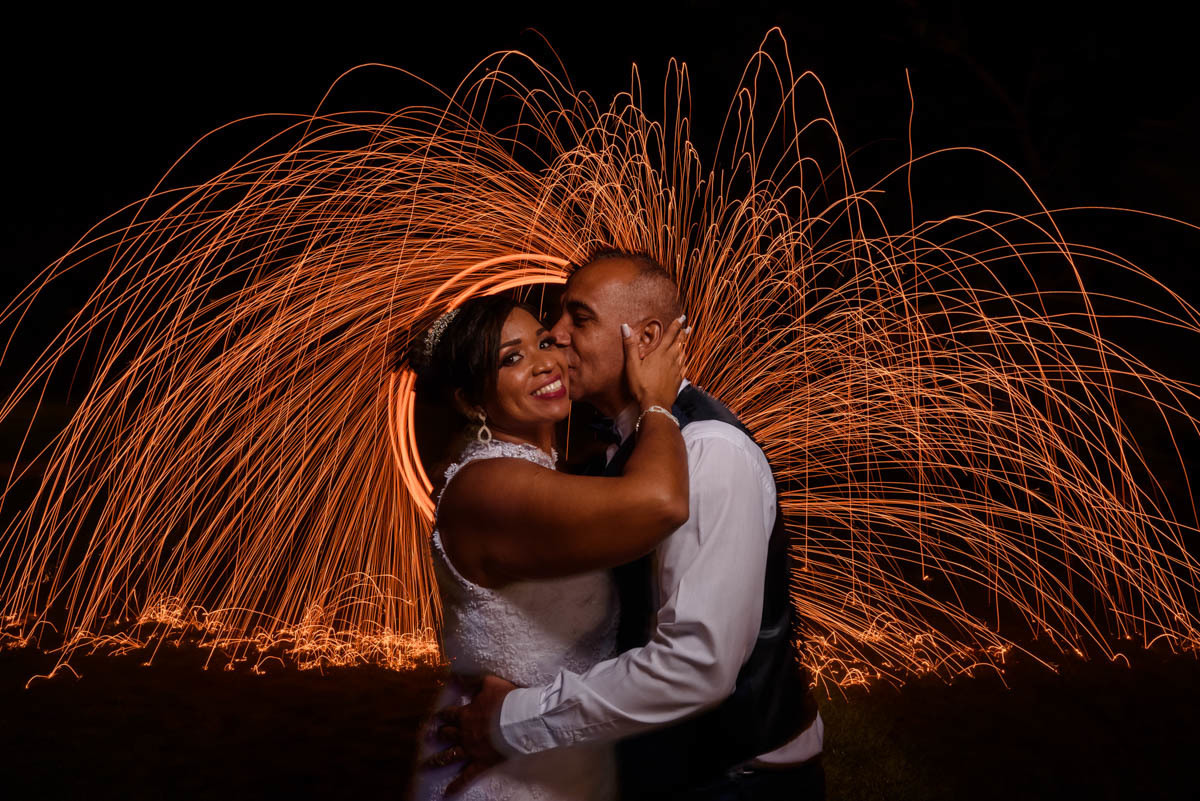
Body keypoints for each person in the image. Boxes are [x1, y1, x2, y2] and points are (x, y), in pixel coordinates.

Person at [430, 251, 825, 801]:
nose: (558, 335)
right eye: (554, 325)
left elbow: (695, 667)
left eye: (579, 318)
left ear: (646, 339)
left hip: (731, 781)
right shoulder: (610, 455)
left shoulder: (707, 452)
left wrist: (512, 718)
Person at [408, 292, 691, 801]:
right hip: (509, 777)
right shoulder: (487, 486)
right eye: (511, 358)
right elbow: (661, 503)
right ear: (472, 402)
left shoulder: (538, 473)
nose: (544, 362)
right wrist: (657, 403)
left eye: (542, 341)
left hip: (553, 752)